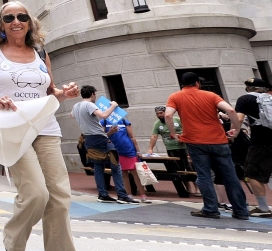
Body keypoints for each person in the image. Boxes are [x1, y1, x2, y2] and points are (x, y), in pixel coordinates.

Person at [0, 2, 93, 251]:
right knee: (36, 193)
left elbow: (50, 90)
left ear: (30, 22)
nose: (16, 21)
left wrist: (65, 93)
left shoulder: (40, 53)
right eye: (9, 17)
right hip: (11, 128)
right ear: (1, 24)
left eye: (22, 17)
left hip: (46, 127)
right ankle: (14, 244)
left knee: (60, 198)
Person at [165, 72, 248, 220]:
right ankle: (240, 210)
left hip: (195, 141)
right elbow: (230, 110)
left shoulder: (175, 97)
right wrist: (235, 129)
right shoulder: (210, 95)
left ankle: (211, 209)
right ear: (197, 83)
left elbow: (168, 115)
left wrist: (174, 133)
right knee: (230, 176)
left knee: (204, 176)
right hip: (218, 140)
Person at [71, 86, 133, 203]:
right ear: (93, 94)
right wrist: (113, 106)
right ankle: (121, 194)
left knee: (98, 166)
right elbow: (103, 115)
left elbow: (72, 115)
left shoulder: (76, 106)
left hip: (88, 138)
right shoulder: (89, 105)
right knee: (115, 164)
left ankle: (103, 194)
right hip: (99, 137)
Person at [235, 79, 272, 217]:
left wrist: (234, 132)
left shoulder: (245, 99)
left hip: (260, 143)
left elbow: (238, 119)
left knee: (252, 175)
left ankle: (263, 209)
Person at [101, 118, 146, 203]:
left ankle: (142, 194)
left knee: (135, 172)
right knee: (123, 173)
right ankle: (128, 194)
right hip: (115, 150)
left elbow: (132, 136)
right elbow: (102, 137)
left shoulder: (124, 121)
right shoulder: (104, 121)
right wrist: (110, 132)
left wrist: (138, 150)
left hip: (129, 149)